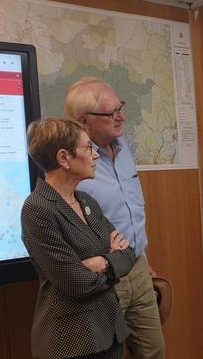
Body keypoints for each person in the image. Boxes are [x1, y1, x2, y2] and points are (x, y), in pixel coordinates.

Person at [64, 78, 166, 359]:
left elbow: (132, 210)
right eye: (111, 113)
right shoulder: (70, 164)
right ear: (84, 121)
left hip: (138, 268)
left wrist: (143, 258)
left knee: (153, 351)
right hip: (105, 277)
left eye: (120, 107)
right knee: (107, 353)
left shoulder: (123, 149)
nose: (120, 116)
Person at [21, 118, 136, 359]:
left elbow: (128, 254)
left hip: (110, 331)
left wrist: (102, 263)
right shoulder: (38, 209)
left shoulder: (86, 201)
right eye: (88, 148)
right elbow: (76, 283)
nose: (95, 155)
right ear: (64, 158)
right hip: (73, 342)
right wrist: (112, 261)